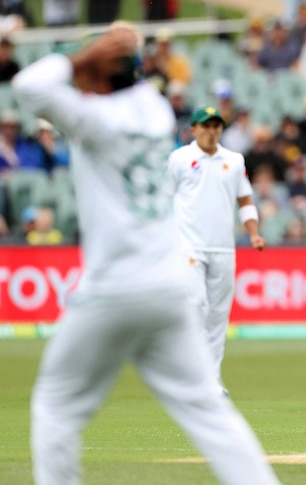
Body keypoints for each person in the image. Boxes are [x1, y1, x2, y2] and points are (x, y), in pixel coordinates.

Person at [12, 24, 281, 485]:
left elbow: (27, 86)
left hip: (114, 285)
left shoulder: (92, 119)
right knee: (208, 412)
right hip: (169, 284)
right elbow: (118, 83)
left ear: (97, 77)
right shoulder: (155, 110)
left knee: (55, 403)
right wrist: (109, 57)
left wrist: (80, 56)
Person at [168, 106, 266, 395]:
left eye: (216, 126)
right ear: (193, 130)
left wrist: (254, 233)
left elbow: (245, 200)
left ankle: (209, 381)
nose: (211, 131)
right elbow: (162, 200)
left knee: (217, 316)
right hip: (188, 247)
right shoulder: (179, 159)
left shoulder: (234, 161)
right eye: (205, 126)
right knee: (195, 305)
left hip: (223, 248)